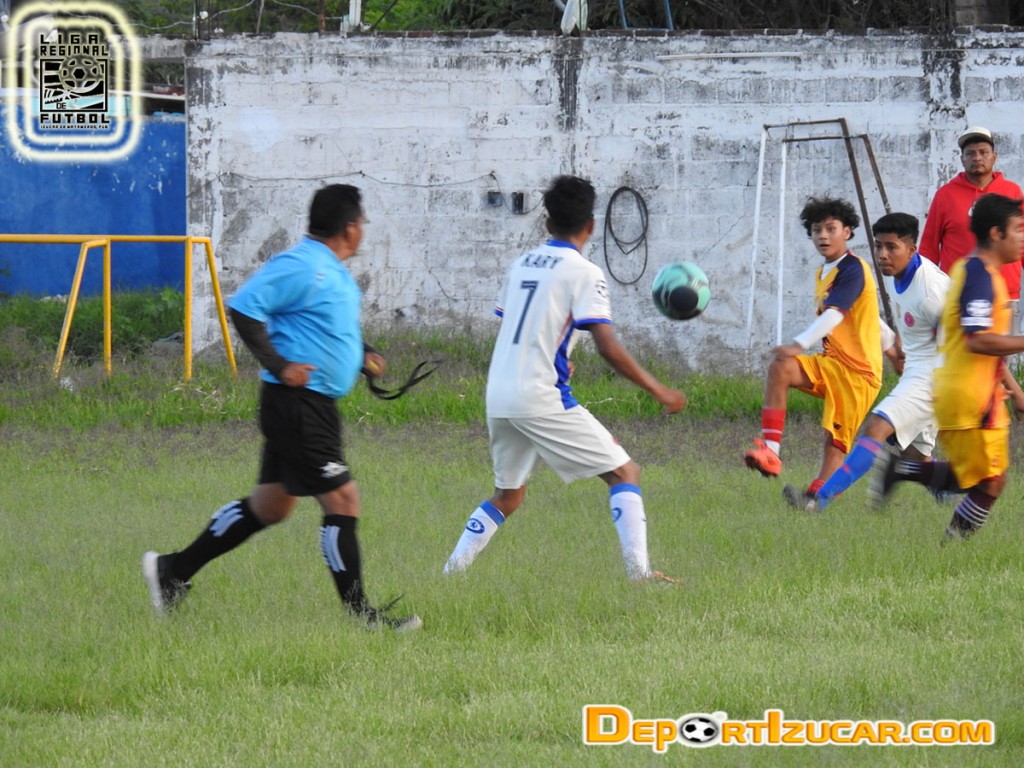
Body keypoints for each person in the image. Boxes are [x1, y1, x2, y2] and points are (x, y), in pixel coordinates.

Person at [143, 184, 422, 632]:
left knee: (270, 506)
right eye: (362, 223)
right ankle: (361, 615)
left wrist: (362, 353)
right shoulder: (302, 265)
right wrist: (280, 365)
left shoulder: (329, 271)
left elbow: (324, 327)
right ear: (350, 228)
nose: (363, 232)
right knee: (343, 499)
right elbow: (244, 308)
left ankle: (172, 571)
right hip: (298, 406)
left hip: (308, 406)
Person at [442, 175, 686, 581]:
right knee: (625, 473)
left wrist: (553, 359)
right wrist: (659, 390)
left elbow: (517, 328)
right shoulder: (584, 272)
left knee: (508, 496)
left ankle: (450, 575)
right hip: (540, 396)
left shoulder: (520, 265)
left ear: (546, 222)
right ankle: (640, 577)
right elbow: (607, 346)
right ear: (590, 225)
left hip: (499, 393)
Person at [873, 194, 1024, 539]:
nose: (1022, 237)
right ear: (996, 233)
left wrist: (1011, 390)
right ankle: (907, 474)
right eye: (1018, 229)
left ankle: (906, 472)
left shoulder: (980, 272)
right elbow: (977, 340)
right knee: (989, 480)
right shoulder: (978, 275)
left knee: (983, 479)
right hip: (968, 396)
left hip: (971, 391)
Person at [801, 212, 949, 513]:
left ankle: (818, 501)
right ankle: (958, 496)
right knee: (915, 455)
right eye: (878, 246)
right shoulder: (896, 276)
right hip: (919, 371)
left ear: (912, 249)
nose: (882, 254)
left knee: (876, 428)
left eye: (891, 247)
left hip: (936, 376)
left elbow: (965, 341)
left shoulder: (931, 290)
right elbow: (879, 321)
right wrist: (897, 350)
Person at [743, 196, 883, 506]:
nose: (823, 236)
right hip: (832, 364)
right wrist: (893, 345)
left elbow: (835, 315)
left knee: (835, 444)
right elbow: (870, 317)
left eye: (831, 228)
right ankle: (771, 453)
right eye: (817, 230)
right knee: (781, 367)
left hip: (858, 374)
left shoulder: (853, 268)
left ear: (847, 232)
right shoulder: (823, 272)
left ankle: (814, 501)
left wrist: (798, 344)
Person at [919, 126, 1024, 332]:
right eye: (970, 153)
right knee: (964, 348)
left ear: (994, 157)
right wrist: (924, 290)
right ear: (962, 159)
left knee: (1000, 350)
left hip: (1005, 294)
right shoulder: (945, 195)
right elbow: (929, 247)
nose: (977, 158)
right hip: (958, 293)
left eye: (983, 152)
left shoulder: (1012, 192)